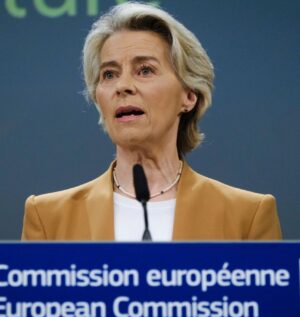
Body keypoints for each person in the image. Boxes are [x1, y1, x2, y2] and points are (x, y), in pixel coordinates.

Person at [21, 2, 282, 241]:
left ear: (188, 95)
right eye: (109, 74)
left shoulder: (247, 217)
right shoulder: (48, 218)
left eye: (145, 70)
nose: (122, 86)